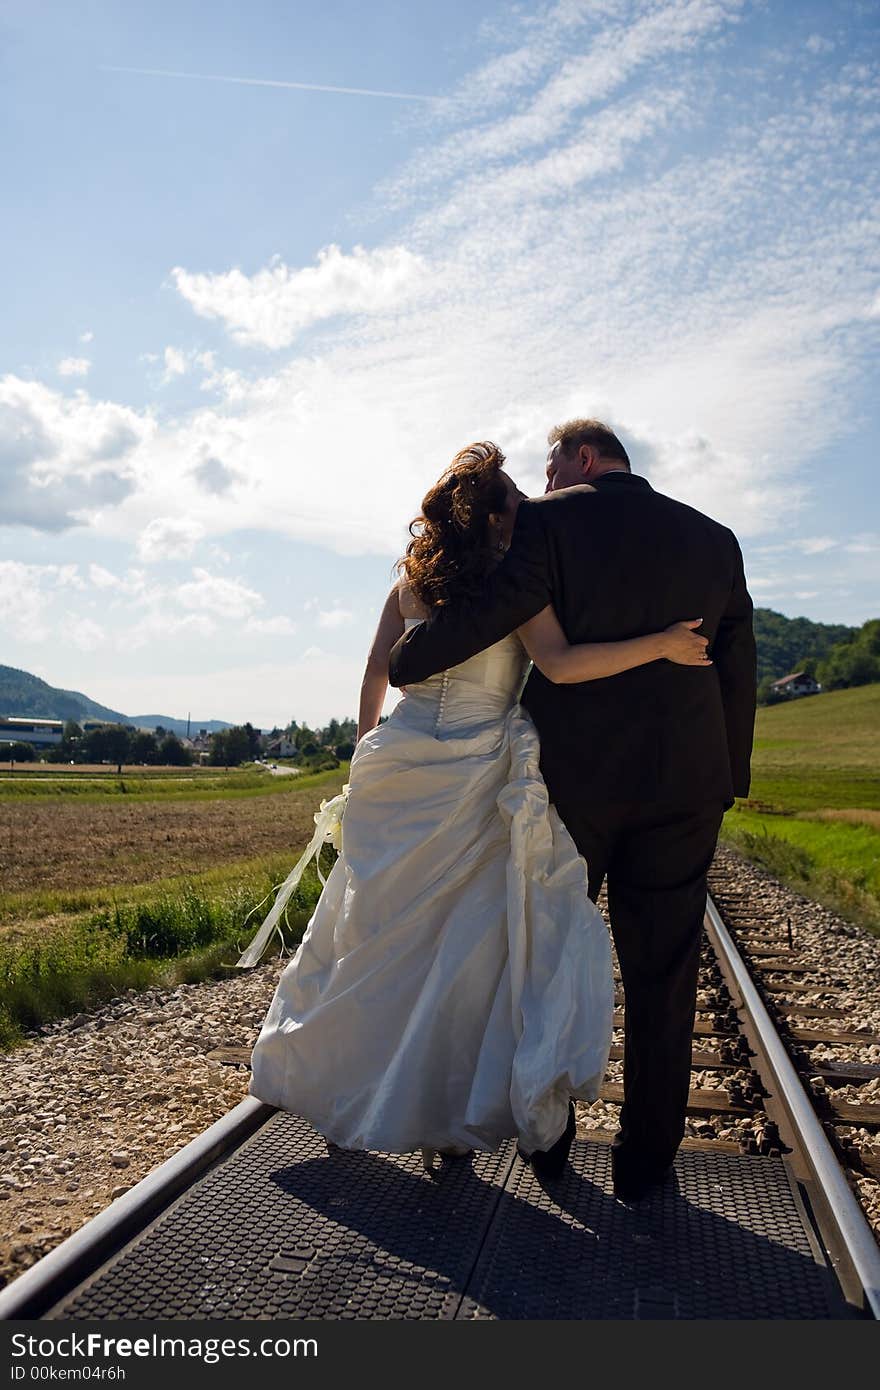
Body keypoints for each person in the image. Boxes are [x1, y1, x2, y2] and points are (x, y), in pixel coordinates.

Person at [244, 441, 713, 1179]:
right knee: (459, 956)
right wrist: (660, 643)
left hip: (404, 770)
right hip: (475, 776)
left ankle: (342, 1084)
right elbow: (561, 665)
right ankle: (446, 1117)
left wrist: (367, 757)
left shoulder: (411, 586)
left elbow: (378, 675)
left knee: (372, 940)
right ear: (498, 518)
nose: (528, 514)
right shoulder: (517, 586)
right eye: (519, 504)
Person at [389, 421, 756, 1200]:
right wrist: (728, 780)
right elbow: (736, 669)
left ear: (584, 457)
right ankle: (648, 1164)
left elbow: (502, 610)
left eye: (551, 464)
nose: (545, 480)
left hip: (575, 786)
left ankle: (549, 1141)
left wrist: (410, 656)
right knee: (665, 974)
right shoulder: (716, 539)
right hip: (684, 789)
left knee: (549, 957)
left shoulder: (548, 522)